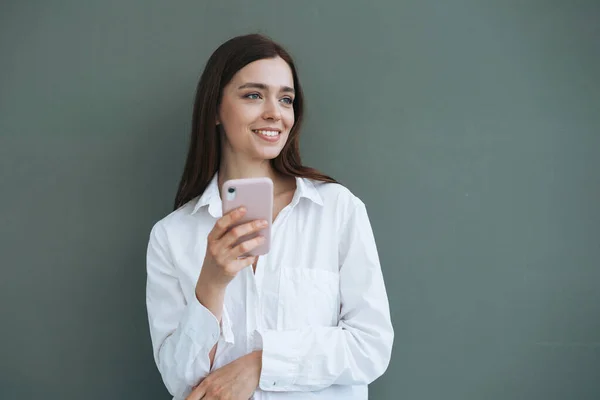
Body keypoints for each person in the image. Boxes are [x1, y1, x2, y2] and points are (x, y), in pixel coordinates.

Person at [145, 33, 394, 400]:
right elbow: (179, 381)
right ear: (215, 108)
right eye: (253, 95)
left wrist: (261, 365)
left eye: (286, 99)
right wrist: (211, 285)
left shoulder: (337, 210)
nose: (275, 113)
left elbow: (370, 347)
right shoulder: (172, 235)